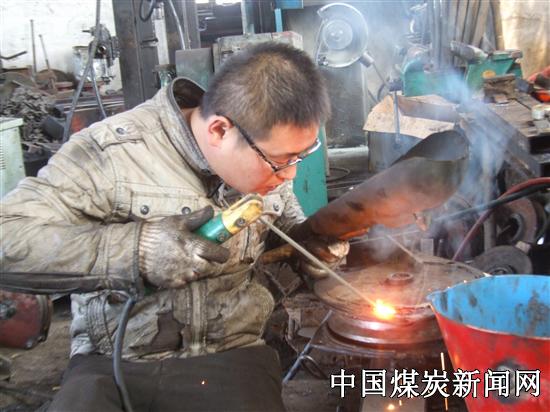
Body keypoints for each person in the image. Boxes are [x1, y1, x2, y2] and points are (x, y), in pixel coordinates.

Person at [0, 42, 349, 411]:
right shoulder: (112, 153)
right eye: (281, 161)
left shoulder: (265, 159)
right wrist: (137, 251)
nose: (290, 174)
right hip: (117, 360)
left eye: (299, 156)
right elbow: (8, 235)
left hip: (232, 353)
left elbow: (287, 231)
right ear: (219, 130)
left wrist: (308, 249)